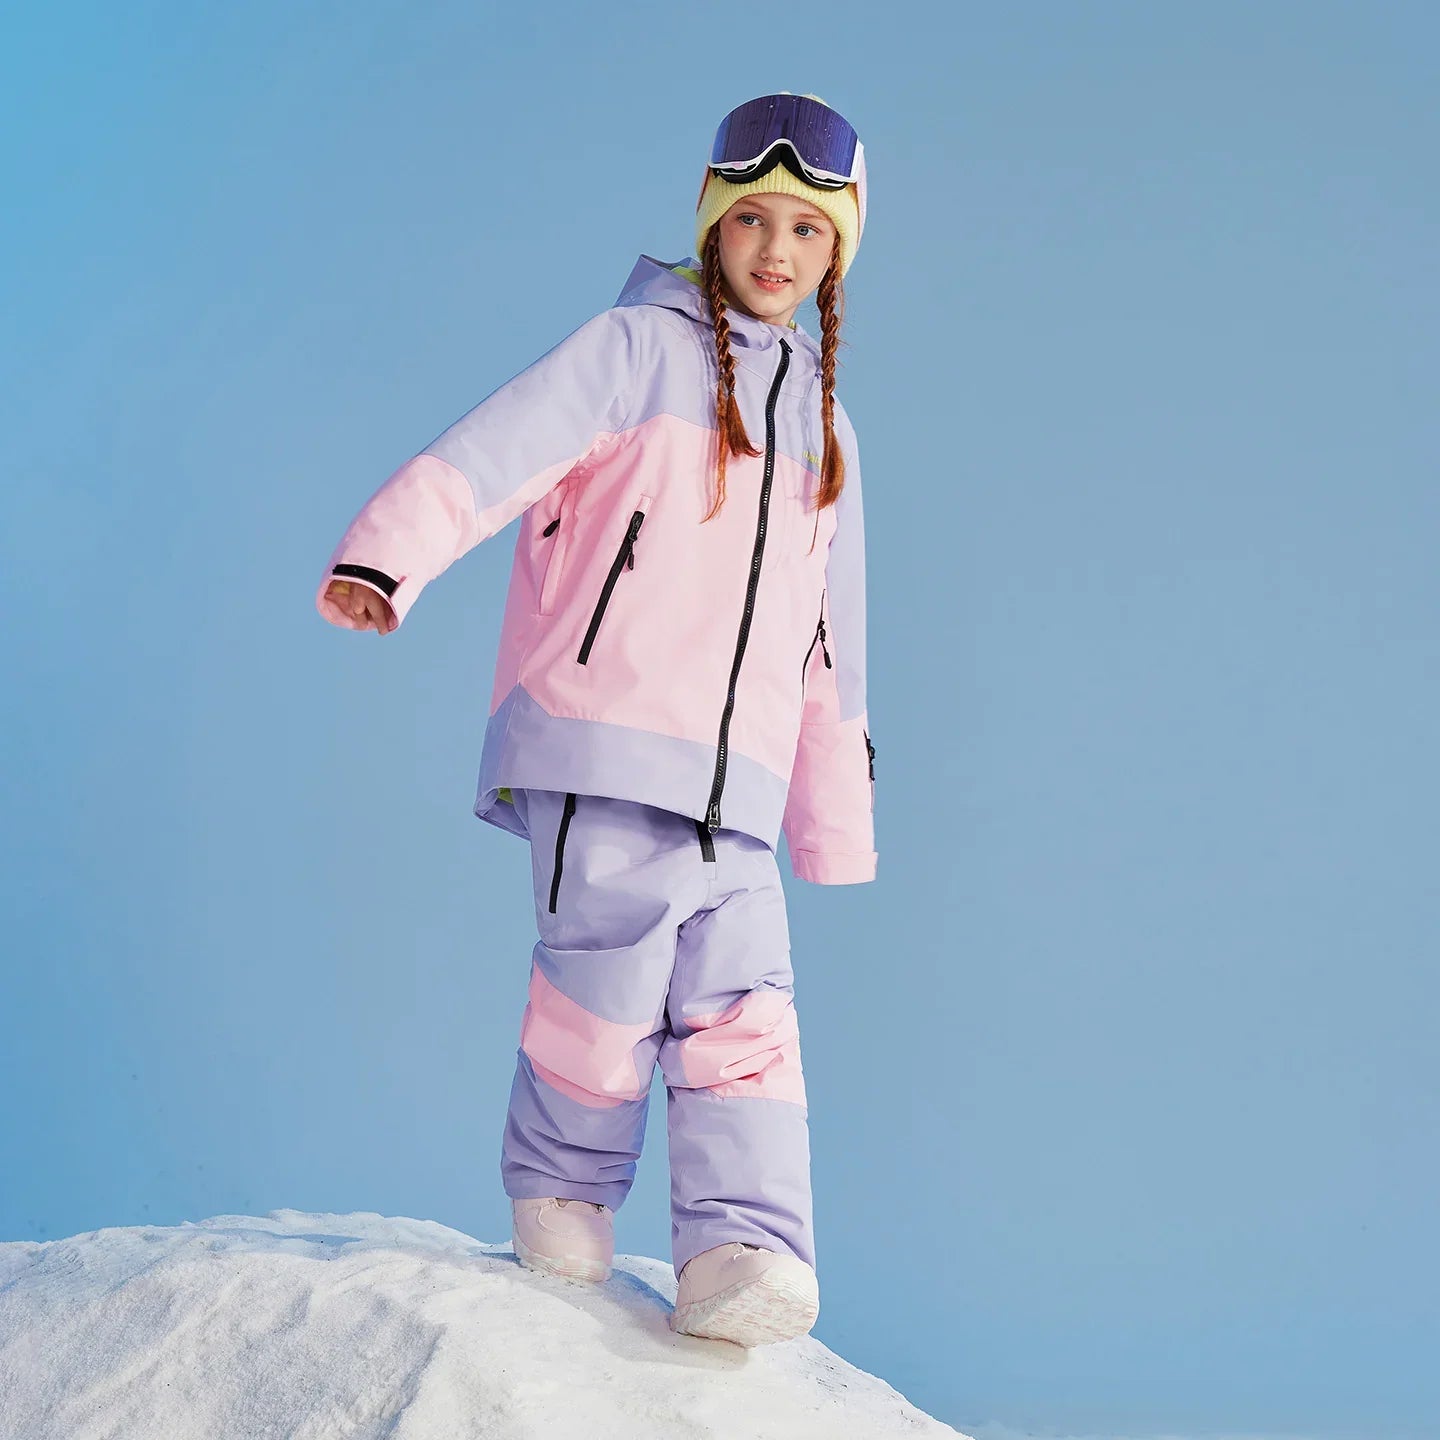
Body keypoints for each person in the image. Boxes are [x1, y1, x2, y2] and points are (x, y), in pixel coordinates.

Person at [315, 93, 876, 1347]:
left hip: (740, 786)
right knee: (604, 989)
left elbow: (832, 638)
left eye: (808, 230)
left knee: (746, 1018)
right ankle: (563, 1200)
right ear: (713, 223)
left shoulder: (828, 426)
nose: (777, 250)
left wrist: (832, 818)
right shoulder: (633, 350)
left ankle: (741, 1251)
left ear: (838, 255)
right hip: (604, 737)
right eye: (754, 220)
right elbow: (495, 453)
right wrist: (383, 559)